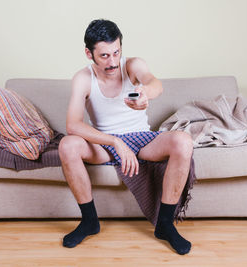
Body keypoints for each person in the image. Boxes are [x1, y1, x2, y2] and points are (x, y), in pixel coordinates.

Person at [59, 19, 194, 255]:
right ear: (88, 53)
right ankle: (89, 221)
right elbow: (73, 124)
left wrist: (146, 94)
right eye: (104, 56)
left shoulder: (132, 65)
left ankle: (164, 224)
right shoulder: (82, 78)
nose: (112, 62)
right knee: (67, 145)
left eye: (116, 52)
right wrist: (114, 141)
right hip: (104, 143)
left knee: (183, 141)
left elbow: (155, 83)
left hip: (142, 139)